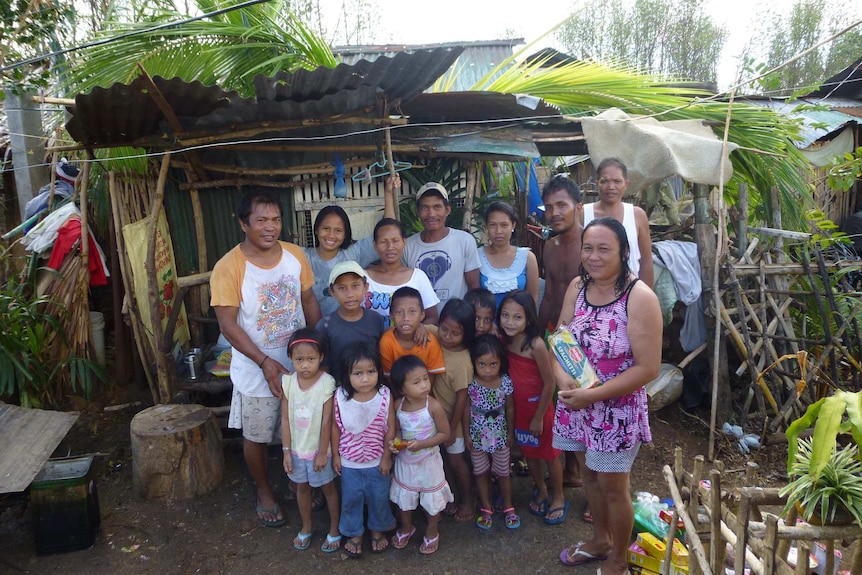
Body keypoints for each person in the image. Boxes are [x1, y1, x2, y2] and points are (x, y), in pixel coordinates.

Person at [552, 217, 662, 572]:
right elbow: (561, 337)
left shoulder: (639, 297)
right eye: (588, 248)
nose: (593, 257)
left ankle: (618, 557)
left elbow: (647, 369)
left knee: (615, 487)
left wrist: (592, 397)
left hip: (616, 411)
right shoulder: (576, 288)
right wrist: (561, 379)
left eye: (604, 249)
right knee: (589, 477)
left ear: (624, 252)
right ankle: (600, 541)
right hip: (577, 406)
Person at [211, 191, 321, 528]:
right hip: (255, 369)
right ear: (244, 224)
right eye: (261, 220)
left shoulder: (294, 254)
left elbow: (308, 300)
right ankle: (263, 490)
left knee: (303, 428)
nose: (269, 227)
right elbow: (227, 324)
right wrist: (263, 361)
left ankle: (297, 479)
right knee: (257, 436)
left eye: (275, 219)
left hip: (300, 365)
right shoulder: (228, 267)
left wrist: (320, 347)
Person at [497, 290, 566, 525]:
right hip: (519, 411)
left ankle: (558, 495)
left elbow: (550, 383)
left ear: (528, 319)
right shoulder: (504, 340)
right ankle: (541, 489)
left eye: (517, 317)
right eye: (505, 315)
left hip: (540, 410)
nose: (509, 321)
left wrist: (538, 417)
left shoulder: (535, 344)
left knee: (550, 455)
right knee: (530, 454)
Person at [535, 173, 585, 490]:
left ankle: (593, 481)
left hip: (586, 338)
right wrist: (538, 335)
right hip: (557, 334)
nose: (554, 213)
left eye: (561, 205)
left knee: (586, 405)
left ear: (577, 206)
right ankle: (571, 469)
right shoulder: (549, 247)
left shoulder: (593, 244)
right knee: (559, 402)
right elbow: (551, 294)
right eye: (549, 206)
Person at [331, 342, 396, 558]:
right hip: (350, 462)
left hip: (378, 461)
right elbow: (335, 427)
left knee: (379, 497)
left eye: (371, 372)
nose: (365, 378)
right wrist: (336, 455)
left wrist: (387, 457)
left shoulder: (385, 395)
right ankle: (354, 533)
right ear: (346, 374)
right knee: (351, 499)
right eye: (357, 373)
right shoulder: (340, 397)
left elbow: (390, 429)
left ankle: (377, 529)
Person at [280, 328, 340, 552]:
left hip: (318, 451)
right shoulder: (288, 382)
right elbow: (285, 419)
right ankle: (307, 526)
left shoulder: (327, 383)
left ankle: (334, 529)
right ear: (291, 359)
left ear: (321, 357)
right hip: (296, 450)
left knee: (328, 488)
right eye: (299, 360)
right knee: (301, 489)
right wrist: (286, 450)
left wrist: (323, 452)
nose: (305, 365)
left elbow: (328, 422)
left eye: (311, 359)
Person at [304, 175, 398, 316]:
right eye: (326, 229)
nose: (331, 235)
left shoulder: (353, 254)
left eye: (338, 231)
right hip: (316, 330)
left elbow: (387, 230)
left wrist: (388, 193)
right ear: (316, 229)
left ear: (345, 233)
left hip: (348, 328)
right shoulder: (303, 256)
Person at [388, 355, 454, 555]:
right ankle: (407, 527)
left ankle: (432, 531)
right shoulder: (398, 406)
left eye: (425, 378)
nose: (424, 385)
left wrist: (423, 444)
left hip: (429, 462)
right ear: (402, 388)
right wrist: (396, 443)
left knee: (431, 499)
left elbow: (445, 433)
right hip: (405, 462)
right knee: (404, 497)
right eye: (416, 382)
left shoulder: (432, 406)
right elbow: (398, 430)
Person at [426, 298, 475, 523]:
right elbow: (423, 325)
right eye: (444, 329)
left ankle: (467, 500)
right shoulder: (435, 335)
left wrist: (452, 428)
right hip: (434, 419)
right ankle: (451, 496)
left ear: (466, 334)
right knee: (443, 460)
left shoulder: (463, 361)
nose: (446, 336)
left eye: (455, 333)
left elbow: (462, 398)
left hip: (452, 422)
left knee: (456, 461)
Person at [464, 334, 519, 531]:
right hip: (477, 436)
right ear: (474, 363)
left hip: (500, 436)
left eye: (493, 364)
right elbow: (466, 409)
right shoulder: (471, 383)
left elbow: (510, 409)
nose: (487, 370)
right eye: (482, 364)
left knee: (504, 473)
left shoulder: (505, 382)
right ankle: (486, 507)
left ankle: (508, 506)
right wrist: (467, 434)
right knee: (480, 472)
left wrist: (510, 434)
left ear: (500, 362)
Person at [402, 182, 480, 312]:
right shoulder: (407, 246)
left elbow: (474, 287)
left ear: (447, 210)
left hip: (457, 324)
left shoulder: (465, 241)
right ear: (418, 211)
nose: (431, 214)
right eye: (425, 208)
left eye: (437, 207)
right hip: (422, 325)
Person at [583, 157, 654, 289]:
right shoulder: (583, 214)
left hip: (630, 291)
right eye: (605, 181)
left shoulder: (637, 215)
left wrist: (647, 295)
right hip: (592, 292)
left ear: (626, 184)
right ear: (597, 183)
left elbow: (646, 261)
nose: (611, 187)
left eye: (617, 181)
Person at [316, 261, 385, 383]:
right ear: (332, 292)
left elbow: (382, 358)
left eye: (355, 286)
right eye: (342, 288)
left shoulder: (376, 320)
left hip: (371, 390)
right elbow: (323, 367)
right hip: (338, 392)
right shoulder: (325, 326)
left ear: (365, 287)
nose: (349, 294)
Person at [365, 218, 440, 326]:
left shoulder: (417, 277)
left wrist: (420, 329)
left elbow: (432, 317)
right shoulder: (363, 278)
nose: (390, 247)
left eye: (395, 241)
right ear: (375, 245)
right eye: (383, 242)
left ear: (404, 242)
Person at [378, 287, 446, 385]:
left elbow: (430, 380)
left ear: (422, 315)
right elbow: (389, 379)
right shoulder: (386, 342)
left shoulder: (429, 341)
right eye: (399, 312)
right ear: (391, 316)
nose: (406, 318)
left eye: (412, 311)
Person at [478, 201, 540, 308]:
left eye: (504, 225)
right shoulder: (477, 256)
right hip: (486, 324)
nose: (498, 231)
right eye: (493, 225)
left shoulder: (527, 258)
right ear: (486, 227)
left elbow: (532, 301)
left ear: (513, 226)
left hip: (518, 324)